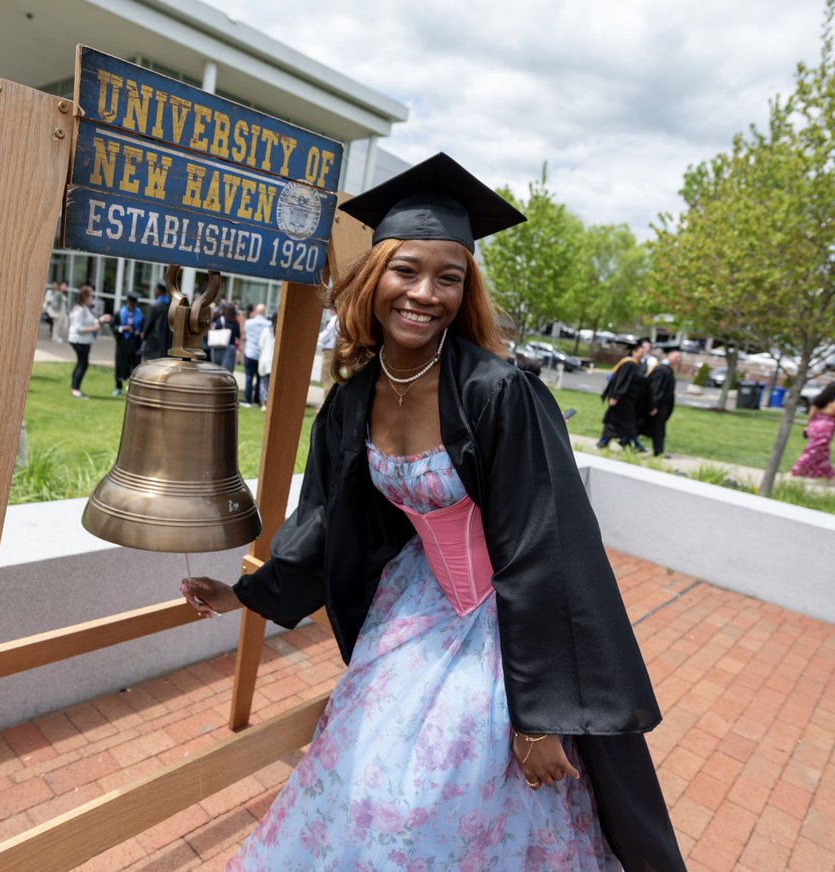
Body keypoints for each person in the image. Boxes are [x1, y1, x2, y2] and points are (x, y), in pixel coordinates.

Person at [181, 153, 683, 871]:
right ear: (373, 276)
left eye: (449, 277)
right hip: (414, 610)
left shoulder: (500, 395)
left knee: (434, 802)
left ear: (465, 290)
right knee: (365, 784)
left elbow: (548, 554)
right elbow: (324, 518)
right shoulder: (354, 400)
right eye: (406, 270)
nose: (425, 293)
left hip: (504, 630)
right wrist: (246, 593)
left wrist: (539, 719)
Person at [597, 337, 650, 451]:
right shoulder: (629, 364)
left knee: (615, 422)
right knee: (623, 422)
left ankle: (605, 442)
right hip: (622, 400)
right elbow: (622, 381)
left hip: (629, 400)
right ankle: (634, 445)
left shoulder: (636, 364)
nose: (642, 355)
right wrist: (616, 396)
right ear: (633, 352)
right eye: (640, 353)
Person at [67, 284, 111, 398]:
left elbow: (91, 321)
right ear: (85, 296)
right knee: (83, 363)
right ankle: (75, 390)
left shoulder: (84, 309)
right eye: (92, 296)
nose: (93, 298)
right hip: (79, 341)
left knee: (82, 363)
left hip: (84, 341)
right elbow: (78, 328)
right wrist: (94, 328)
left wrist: (101, 320)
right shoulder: (79, 310)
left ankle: (75, 388)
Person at [641, 345, 680, 456]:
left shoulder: (667, 370)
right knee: (655, 429)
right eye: (676, 357)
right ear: (669, 355)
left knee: (654, 428)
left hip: (662, 405)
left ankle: (657, 450)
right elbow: (655, 389)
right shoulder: (662, 370)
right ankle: (658, 451)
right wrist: (653, 406)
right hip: (658, 405)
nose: (678, 360)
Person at [790, 382, 835, 479]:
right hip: (825, 429)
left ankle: (828, 475)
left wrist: (808, 426)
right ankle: (795, 471)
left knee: (822, 452)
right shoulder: (832, 402)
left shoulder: (819, 400)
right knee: (814, 451)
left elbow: (811, 414)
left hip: (814, 427)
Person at [112, 292, 144, 396]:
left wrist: (135, 332)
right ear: (127, 302)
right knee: (120, 365)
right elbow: (113, 327)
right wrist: (122, 328)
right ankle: (118, 387)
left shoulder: (140, 314)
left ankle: (131, 387)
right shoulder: (119, 313)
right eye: (130, 303)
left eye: (134, 304)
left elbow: (142, 329)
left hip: (135, 343)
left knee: (134, 365)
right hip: (122, 344)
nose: (132, 306)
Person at [242, 304, 270, 406]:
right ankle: (257, 400)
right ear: (264, 312)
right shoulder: (268, 324)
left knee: (249, 377)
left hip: (250, 352)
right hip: (261, 354)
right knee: (260, 378)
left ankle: (248, 400)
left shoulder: (248, 323)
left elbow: (245, 334)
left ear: (256, 311)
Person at [142, 281, 172, 361]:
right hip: (166, 345)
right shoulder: (171, 306)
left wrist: (144, 336)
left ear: (158, 291)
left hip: (153, 344)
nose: (154, 291)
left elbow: (147, 325)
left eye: (155, 289)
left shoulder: (154, 306)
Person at [212, 303, 241, 372]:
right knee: (227, 372)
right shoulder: (236, 322)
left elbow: (215, 330)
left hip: (218, 346)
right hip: (230, 347)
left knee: (216, 369)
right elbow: (238, 335)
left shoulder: (220, 320)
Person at [255, 312, 276, 409]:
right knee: (272, 384)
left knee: (264, 383)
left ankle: (264, 404)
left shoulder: (267, 331)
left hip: (265, 360)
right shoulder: (279, 332)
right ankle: (270, 404)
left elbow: (260, 344)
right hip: (273, 362)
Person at [317, 311, 339, 398]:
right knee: (329, 377)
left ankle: (326, 402)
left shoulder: (335, 320)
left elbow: (325, 335)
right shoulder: (339, 320)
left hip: (329, 350)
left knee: (325, 378)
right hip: (333, 349)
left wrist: (317, 337)